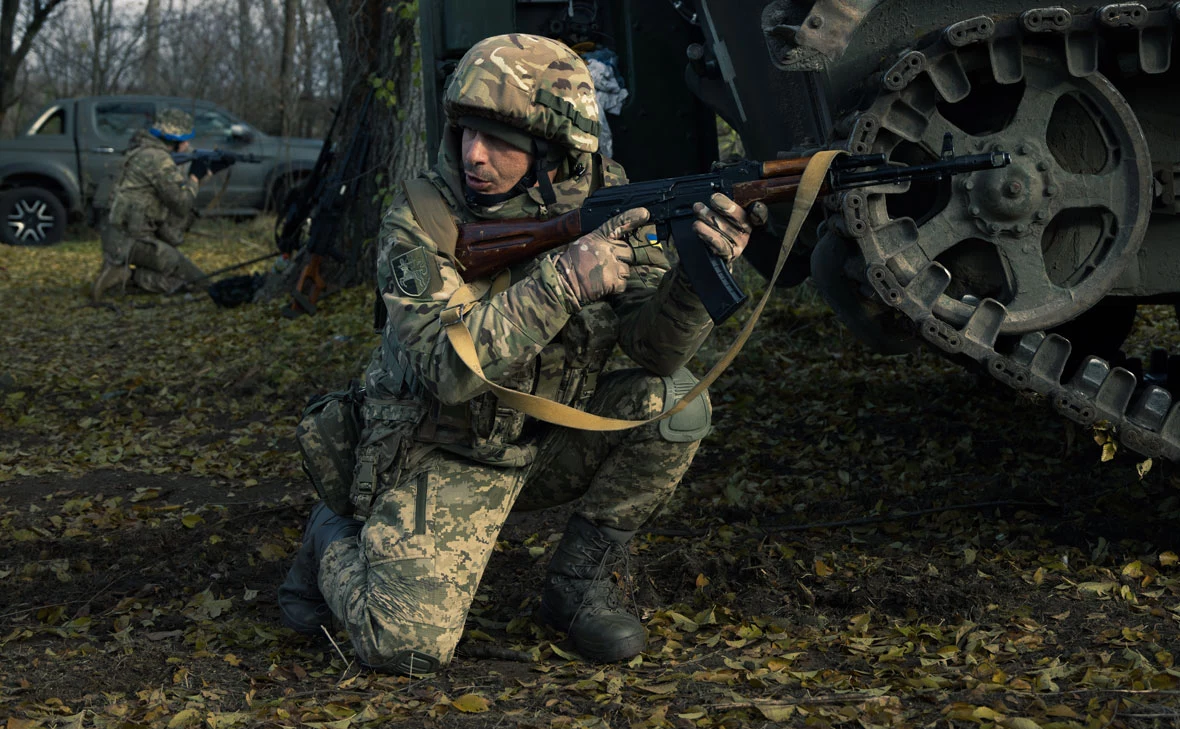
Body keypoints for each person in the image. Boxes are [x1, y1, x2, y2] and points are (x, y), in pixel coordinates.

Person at [277, 33, 764, 675]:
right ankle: (328, 536)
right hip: (443, 446)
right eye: (467, 133)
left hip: (547, 436)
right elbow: (447, 372)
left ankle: (576, 588)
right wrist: (563, 282)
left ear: (554, 149)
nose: (475, 156)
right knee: (402, 647)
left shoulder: (605, 196)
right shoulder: (421, 215)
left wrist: (699, 274)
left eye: (501, 140)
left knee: (675, 406)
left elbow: (654, 351)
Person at [92, 108, 212, 300]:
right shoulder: (159, 160)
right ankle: (127, 277)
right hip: (133, 242)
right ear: (175, 140)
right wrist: (196, 179)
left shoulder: (138, 151)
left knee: (175, 267)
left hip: (116, 238)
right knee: (198, 282)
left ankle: (116, 271)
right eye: (185, 140)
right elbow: (181, 205)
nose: (188, 144)